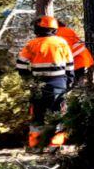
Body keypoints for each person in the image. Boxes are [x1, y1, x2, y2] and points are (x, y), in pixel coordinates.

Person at [16, 15, 75, 152]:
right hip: (59, 83)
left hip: (38, 84)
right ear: (54, 29)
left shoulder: (32, 44)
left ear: (38, 29)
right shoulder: (62, 43)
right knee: (58, 113)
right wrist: (69, 81)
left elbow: (21, 64)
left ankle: (36, 145)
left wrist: (28, 78)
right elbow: (70, 64)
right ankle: (55, 145)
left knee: (37, 113)